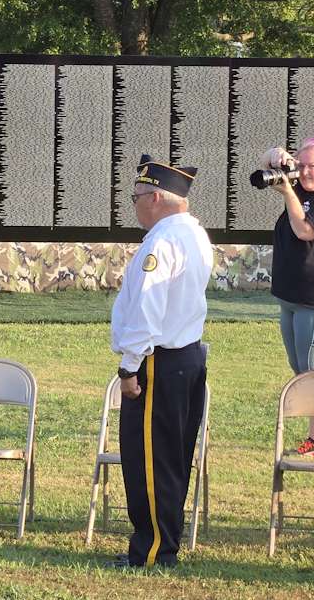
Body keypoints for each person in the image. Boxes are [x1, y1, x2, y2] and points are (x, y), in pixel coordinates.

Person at [109, 155, 214, 568]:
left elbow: (147, 310)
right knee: (171, 458)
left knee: (149, 460)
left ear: (154, 196)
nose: (132, 204)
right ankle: (159, 543)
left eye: (135, 196)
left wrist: (129, 368)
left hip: (159, 361)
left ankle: (153, 550)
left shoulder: (162, 241)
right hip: (186, 357)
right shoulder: (194, 234)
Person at [260, 135, 314, 457]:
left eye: (313, 166)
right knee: (298, 366)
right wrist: (274, 156)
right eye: (302, 165)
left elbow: (304, 230)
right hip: (289, 296)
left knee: (313, 370)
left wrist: (287, 191)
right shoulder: (300, 185)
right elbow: (264, 168)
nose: (305, 172)